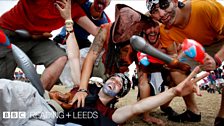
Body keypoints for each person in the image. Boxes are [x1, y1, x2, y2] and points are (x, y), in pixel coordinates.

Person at [0, 66, 208, 126]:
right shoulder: (81, 88)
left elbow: (137, 108)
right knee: (19, 90)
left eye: (121, 84)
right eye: (116, 78)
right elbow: (73, 57)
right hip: (43, 109)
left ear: (120, 94)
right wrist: (69, 22)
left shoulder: (110, 114)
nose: (117, 81)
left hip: (48, 124)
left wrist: (173, 92)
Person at [145, 0, 224, 124]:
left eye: (164, 5)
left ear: (175, 2)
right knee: (176, 70)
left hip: (221, 39)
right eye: (155, 11)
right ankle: (192, 112)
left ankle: (222, 115)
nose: (161, 14)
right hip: (199, 45)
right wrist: (174, 64)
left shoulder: (204, 7)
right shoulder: (164, 30)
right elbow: (173, 56)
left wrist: (217, 59)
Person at [0, 0, 99, 91]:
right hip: (10, 33)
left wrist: (113, 27)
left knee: (60, 58)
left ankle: (36, 98)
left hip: (36, 39)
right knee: (3, 82)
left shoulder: (74, 9)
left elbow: (96, 30)